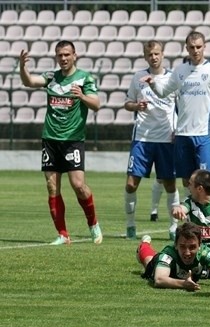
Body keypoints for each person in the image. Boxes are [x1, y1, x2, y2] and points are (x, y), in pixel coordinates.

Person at [18, 41, 103, 245]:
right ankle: (63, 234)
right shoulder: (51, 77)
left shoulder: (84, 78)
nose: (63, 58)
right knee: (52, 186)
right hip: (50, 139)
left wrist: (81, 96)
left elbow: (97, 104)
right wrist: (22, 67)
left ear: (75, 55)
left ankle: (93, 224)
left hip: (73, 140)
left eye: (67, 54)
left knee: (79, 185)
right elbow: (29, 82)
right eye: (59, 55)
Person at [140, 31, 210, 196]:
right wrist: (153, 84)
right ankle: (193, 218)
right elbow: (163, 92)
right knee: (187, 181)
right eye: (192, 47)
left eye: (199, 47)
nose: (195, 50)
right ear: (187, 48)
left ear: (204, 47)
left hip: (204, 134)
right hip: (183, 134)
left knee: (206, 180)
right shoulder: (180, 70)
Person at [123, 40, 180, 240]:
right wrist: (136, 105)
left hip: (167, 139)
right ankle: (130, 225)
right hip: (142, 138)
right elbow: (127, 103)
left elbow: (182, 107)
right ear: (145, 56)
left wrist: (178, 130)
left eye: (157, 53)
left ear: (162, 54)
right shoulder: (138, 77)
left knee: (170, 185)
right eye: (150, 54)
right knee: (131, 184)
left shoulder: (173, 78)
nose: (154, 57)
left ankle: (174, 227)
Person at [136, 222, 210, 292]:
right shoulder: (168, 255)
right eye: (182, 247)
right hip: (164, 268)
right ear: (176, 245)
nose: (187, 252)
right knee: (148, 260)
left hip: (190, 271)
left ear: (200, 244)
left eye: (192, 247)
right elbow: (159, 279)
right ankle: (144, 244)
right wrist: (183, 284)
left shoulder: (204, 252)